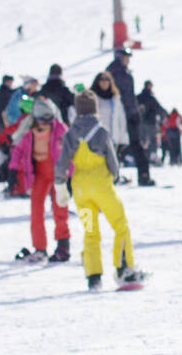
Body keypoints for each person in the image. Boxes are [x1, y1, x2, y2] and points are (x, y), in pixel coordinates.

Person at [54, 90, 140, 290]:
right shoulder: (101, 132)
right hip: (102, 187)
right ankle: (123, 268)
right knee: (120, 225)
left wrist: (60, 187)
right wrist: (114, 177)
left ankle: (94, 277)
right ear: (94, 109)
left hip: (80, 190)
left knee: (90, 231)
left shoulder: (70, 134)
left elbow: (62, 164)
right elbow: (113, 163)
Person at [9, 97, 71, 262]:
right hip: (40, 175)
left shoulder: (60, 130)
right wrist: (13, 170)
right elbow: (18, 151)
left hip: (57, 175)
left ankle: (63, 245)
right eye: (42, 118)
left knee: (60, 209)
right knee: (36, 210)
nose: (46, 122)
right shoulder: (29, 133)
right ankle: (40, 247)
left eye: (49, 118)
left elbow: (70, 153)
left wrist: (70, 176)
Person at [106, 47, 155, 186]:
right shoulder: (121, 74)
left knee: (113, 146)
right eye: (126, 57)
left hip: (117, 115)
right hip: (125, 115)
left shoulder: (111, 71)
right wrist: (133, 112)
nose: (128, 60)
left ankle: (111, 177)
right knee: (135, 145)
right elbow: (126, 97)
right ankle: (143, 176)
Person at [89, 71, 129, 179]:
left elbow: (121, 119)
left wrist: (123, 138)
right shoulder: (92, 97)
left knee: (112, 166)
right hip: (96, 137)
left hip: (112, 137)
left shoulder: (115, 98)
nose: (104, 82)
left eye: (107, 80)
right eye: (101, 80)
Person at [137, 80, 169, 167]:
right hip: (150, 123)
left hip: (140, 123)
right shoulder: (151, 98)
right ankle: (152, 158)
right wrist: (166, 114)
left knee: (143, 141)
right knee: (152, 141)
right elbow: (158, 108)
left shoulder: (139, 97)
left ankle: (144, 158)